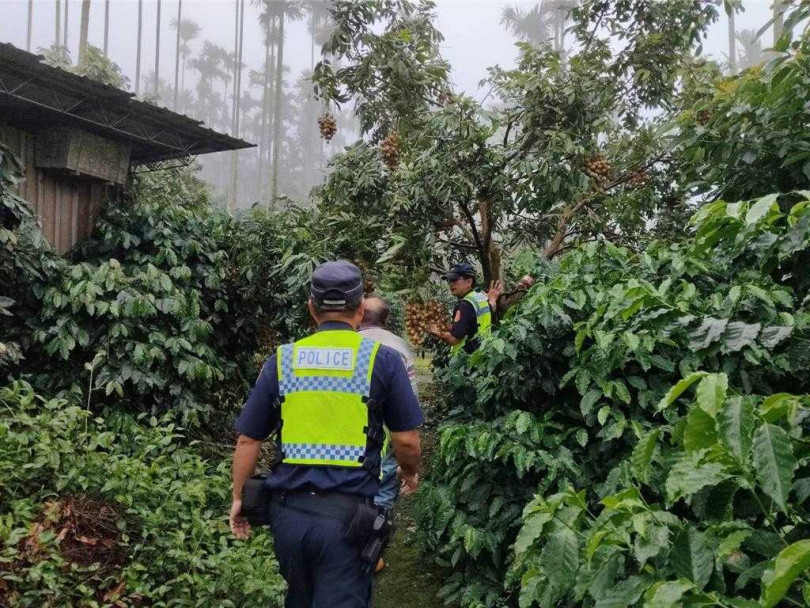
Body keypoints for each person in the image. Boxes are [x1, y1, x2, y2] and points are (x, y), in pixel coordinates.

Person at [229, 261, 423, 608]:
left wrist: (239, 499)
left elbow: (248, 440)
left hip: (287, 519)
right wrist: (409, 472)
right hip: (347, 524)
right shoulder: (384, 360)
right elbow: (406, 439)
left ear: (311, 309)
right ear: (361, 309)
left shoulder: (282, 360)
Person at [359, 296, 418, 571]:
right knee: (383, 490)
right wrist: (409, 466)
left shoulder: (348, 345)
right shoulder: (399, 347)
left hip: (351, 433)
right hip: (387, 432)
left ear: (359, 315)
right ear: (385, 319)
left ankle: (353, 546)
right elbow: (409, 403)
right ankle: (372, 552)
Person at [428, 263, 493, 354]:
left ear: (468, 282)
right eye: (450, 281)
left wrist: (437, 332)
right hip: (483, 354)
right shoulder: (480, 297)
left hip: (467, 359)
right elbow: (489, 310)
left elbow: (454, 339)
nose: (451, 284)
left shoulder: (465, 305)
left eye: (455, 280)